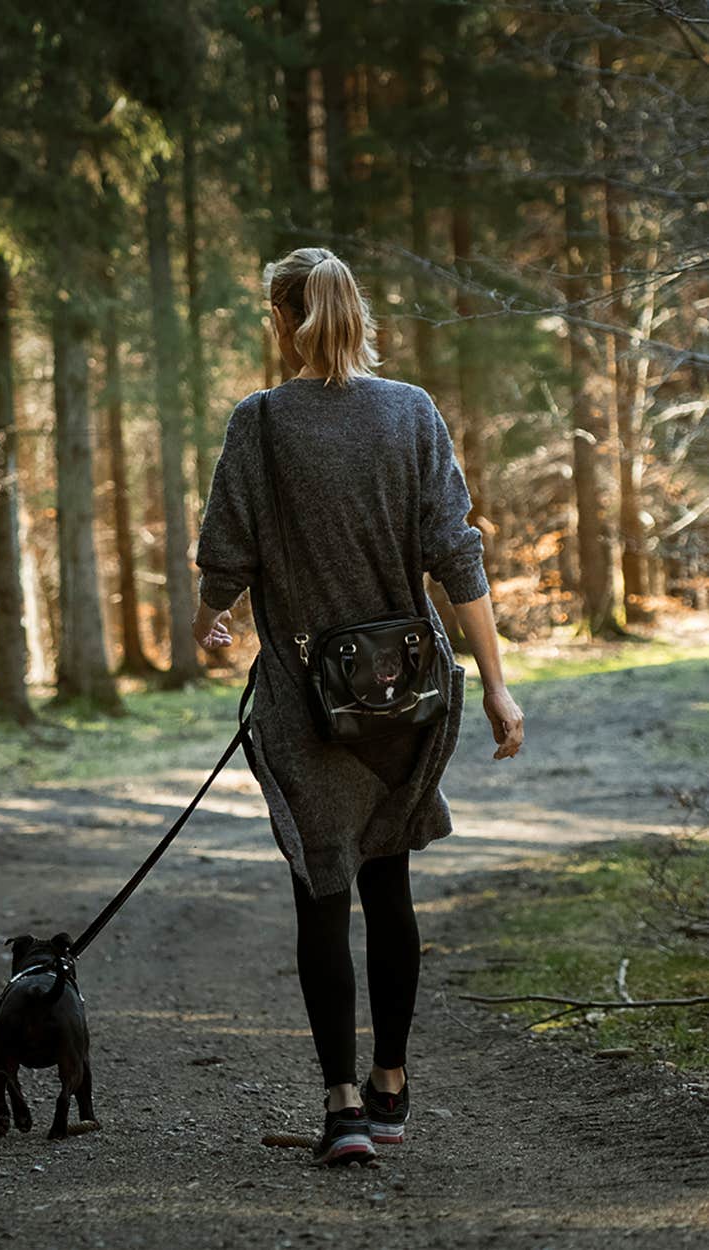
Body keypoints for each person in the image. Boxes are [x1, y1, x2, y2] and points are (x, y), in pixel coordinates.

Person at [192, 246, 524, 1168]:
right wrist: (495, 681)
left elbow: (227, 555)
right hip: (410, 694)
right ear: (356, 314)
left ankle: (340, 1107)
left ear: (280, 318)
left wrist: (209, 623)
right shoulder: (411, 412)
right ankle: (390, 1087)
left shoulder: (259, 425)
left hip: (306, 699)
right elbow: (456, 556)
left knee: (320, 893)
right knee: (391, 886)